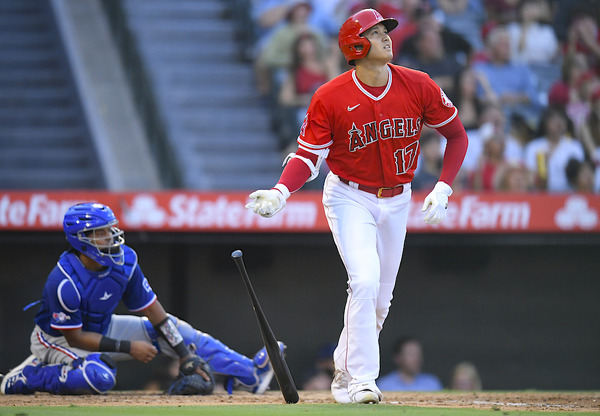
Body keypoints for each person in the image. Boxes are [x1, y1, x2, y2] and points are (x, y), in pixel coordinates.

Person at [245, 8, 468, 404]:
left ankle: (344, 371)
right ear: (356, 44)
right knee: (363, 281)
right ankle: (363, 380)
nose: (386, 36)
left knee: (379, 302)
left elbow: (457, 135)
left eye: (386, 30)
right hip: (350, 195)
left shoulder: (418, 83)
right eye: (377, 31)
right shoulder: (330, 95)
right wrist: (281, 191)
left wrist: (444, 187)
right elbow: (308, 156)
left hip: (398, 199)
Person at [0, 203, 280, 395]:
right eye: (101, 232)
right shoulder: (63, 281)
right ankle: (28, 377)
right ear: (81, 239)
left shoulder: (126, 261)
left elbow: (155, 312)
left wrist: (185, 355)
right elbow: (74, 338)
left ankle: (250, 375)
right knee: (99, 377)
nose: (111, 236)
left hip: (102, 328)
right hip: (56, 340)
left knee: (176, 330)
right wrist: (128, 346)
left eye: (111, 229)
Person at [377, 337, 443, 391]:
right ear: (397, 358)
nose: (416, 359)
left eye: (418, 354)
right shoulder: (384, 385)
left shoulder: (432, 383)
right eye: (410, 354)